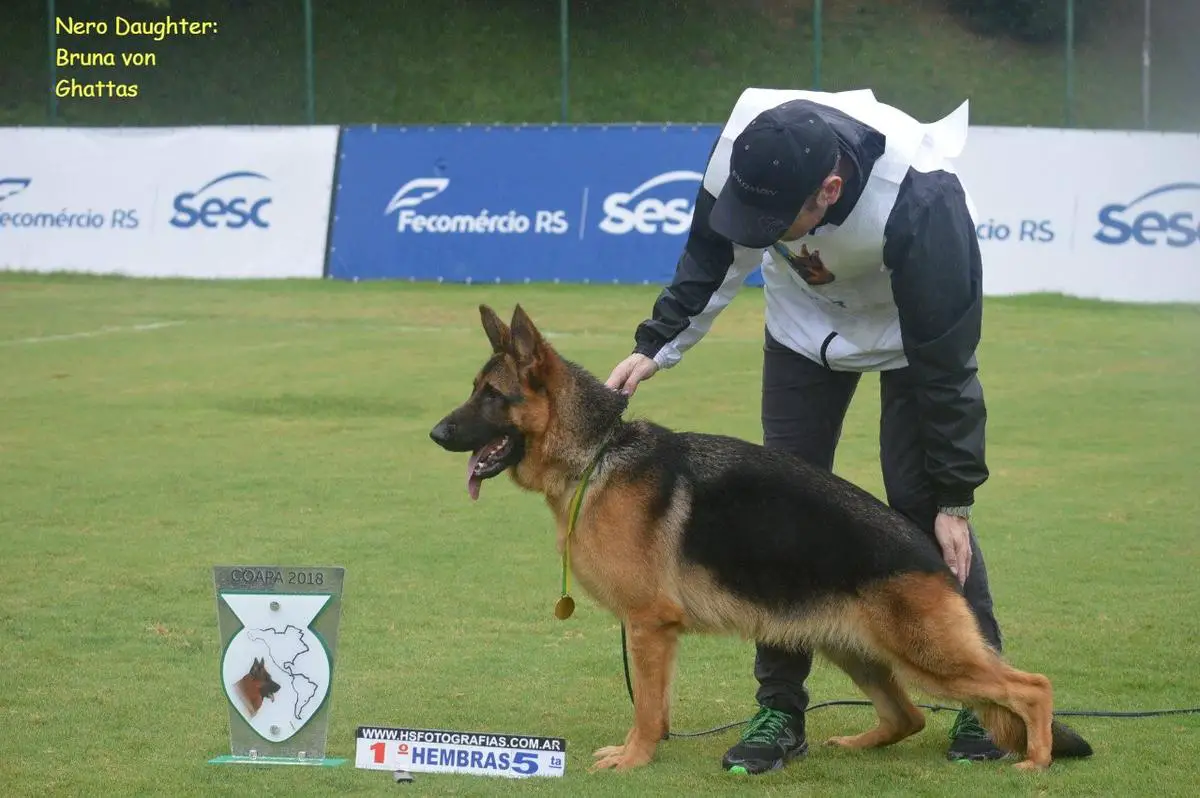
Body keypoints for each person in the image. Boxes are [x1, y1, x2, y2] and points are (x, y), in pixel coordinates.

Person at [605, 87, 1007, 773]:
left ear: (829, 189)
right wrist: (656, 343)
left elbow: (947, 368)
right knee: (775, 514)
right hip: (800, 335)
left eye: (775, 220)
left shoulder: (923, 200)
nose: (760, 231)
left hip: (908, 340)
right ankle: (779, 712)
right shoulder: (748, 148)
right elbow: (712, 254)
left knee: (916, 506)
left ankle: (986, 698)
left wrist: (955, 501)